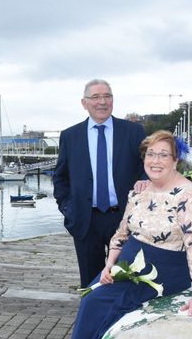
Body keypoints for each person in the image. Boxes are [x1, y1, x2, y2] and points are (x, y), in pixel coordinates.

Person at [58, 130, 192, 339]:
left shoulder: (188, 196)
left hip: (165, 267)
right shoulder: (140, 191)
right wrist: (108, 266)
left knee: (100, 304)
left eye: (164, 155)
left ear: (176, 160)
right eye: (150, 154)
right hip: (131, 257)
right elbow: (122, 232)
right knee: (90, 297)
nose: (155, 160)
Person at [53, 79, 146, 288]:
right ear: (84, 103)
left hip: (124, 219)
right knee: (91, 283)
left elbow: (147, 168)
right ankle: (93, 319)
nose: (102, 102)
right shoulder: (70, 136)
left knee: (126, 278)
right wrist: (68, 209)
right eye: (95, 97)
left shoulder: (133, 132)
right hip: (86, 221)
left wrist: (143, 182)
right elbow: (60, 177)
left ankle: (122, 319)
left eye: (107, 96)